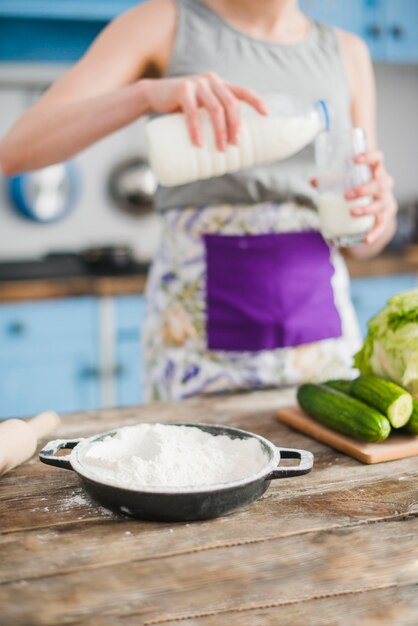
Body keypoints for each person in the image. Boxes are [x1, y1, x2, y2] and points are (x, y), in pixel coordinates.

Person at [0, 0, 397, 401]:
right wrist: (145, 96)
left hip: (321, 346)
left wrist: (378, 213)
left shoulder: (348, 52)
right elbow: (17, 150)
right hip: (196, 346)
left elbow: (366, 245)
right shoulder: (165, 23)